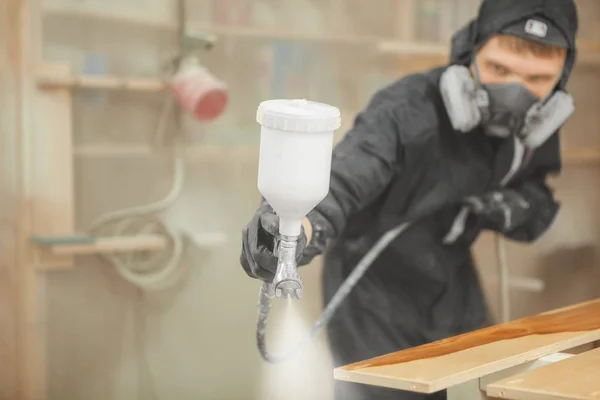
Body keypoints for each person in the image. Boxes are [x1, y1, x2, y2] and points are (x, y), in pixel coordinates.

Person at [240, 0, 579, 399]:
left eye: (537, 78)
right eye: (498, 70)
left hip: (451, 279)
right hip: (372, 288)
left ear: (560, 79)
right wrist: (288, 233)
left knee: (479, 387)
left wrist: (514, 208)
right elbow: (343, 181)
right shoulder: (405, 113)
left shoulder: (535, 124)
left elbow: (537, 189)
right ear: (467, 54)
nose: (514, 96)